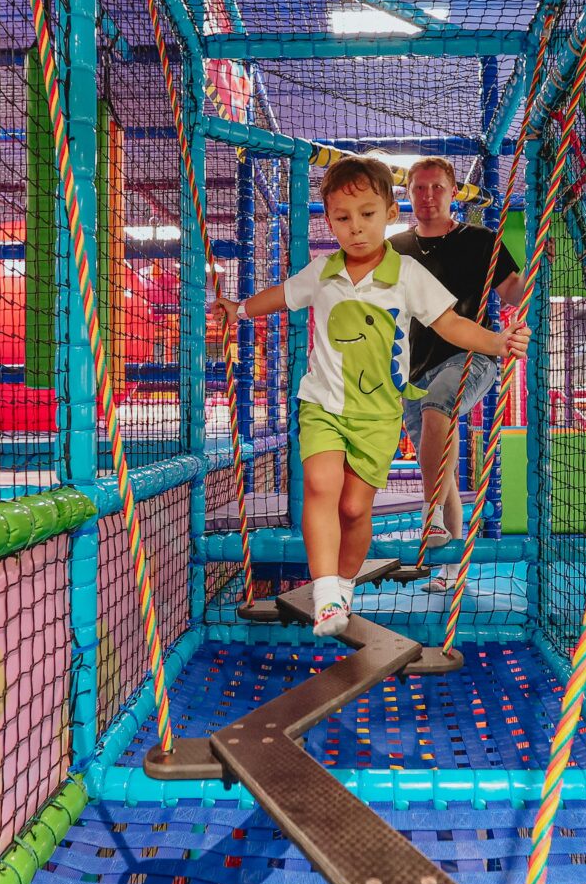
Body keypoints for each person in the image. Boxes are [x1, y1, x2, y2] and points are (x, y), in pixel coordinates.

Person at [216, 155, 528, 637]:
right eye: (343, 218)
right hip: (322, 404)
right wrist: (239, 310)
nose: (356, 227)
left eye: (367, 214)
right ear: (329, 221)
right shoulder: (323, 271)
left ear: (388, 213)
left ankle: (344, 584)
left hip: (378, 414)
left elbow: (450, 324)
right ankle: (326, 593)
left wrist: (497, 342)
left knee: (354, 509)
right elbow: (281, 295)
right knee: (321, 485)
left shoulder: (408, 272)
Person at [386, 156, 528, 553]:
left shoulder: (480, 240)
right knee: (439, 469)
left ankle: (429, 515)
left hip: (471, 355)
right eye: (419, 188)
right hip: (415, 367)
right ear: (408, 193)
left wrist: (538, 268)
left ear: (453, 193)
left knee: (437, 406)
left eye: (437, 187)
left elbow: (513, 291)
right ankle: (450, 567)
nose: (428, 195)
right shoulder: (396, 248)